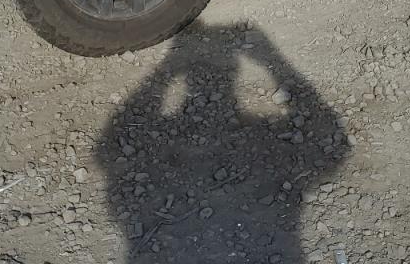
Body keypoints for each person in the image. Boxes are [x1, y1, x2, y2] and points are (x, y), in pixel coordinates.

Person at [97, 23, 350, 263]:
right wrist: (273, 61)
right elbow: (333, 147)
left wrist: (167, 69)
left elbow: (111, 145)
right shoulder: (261, 138)